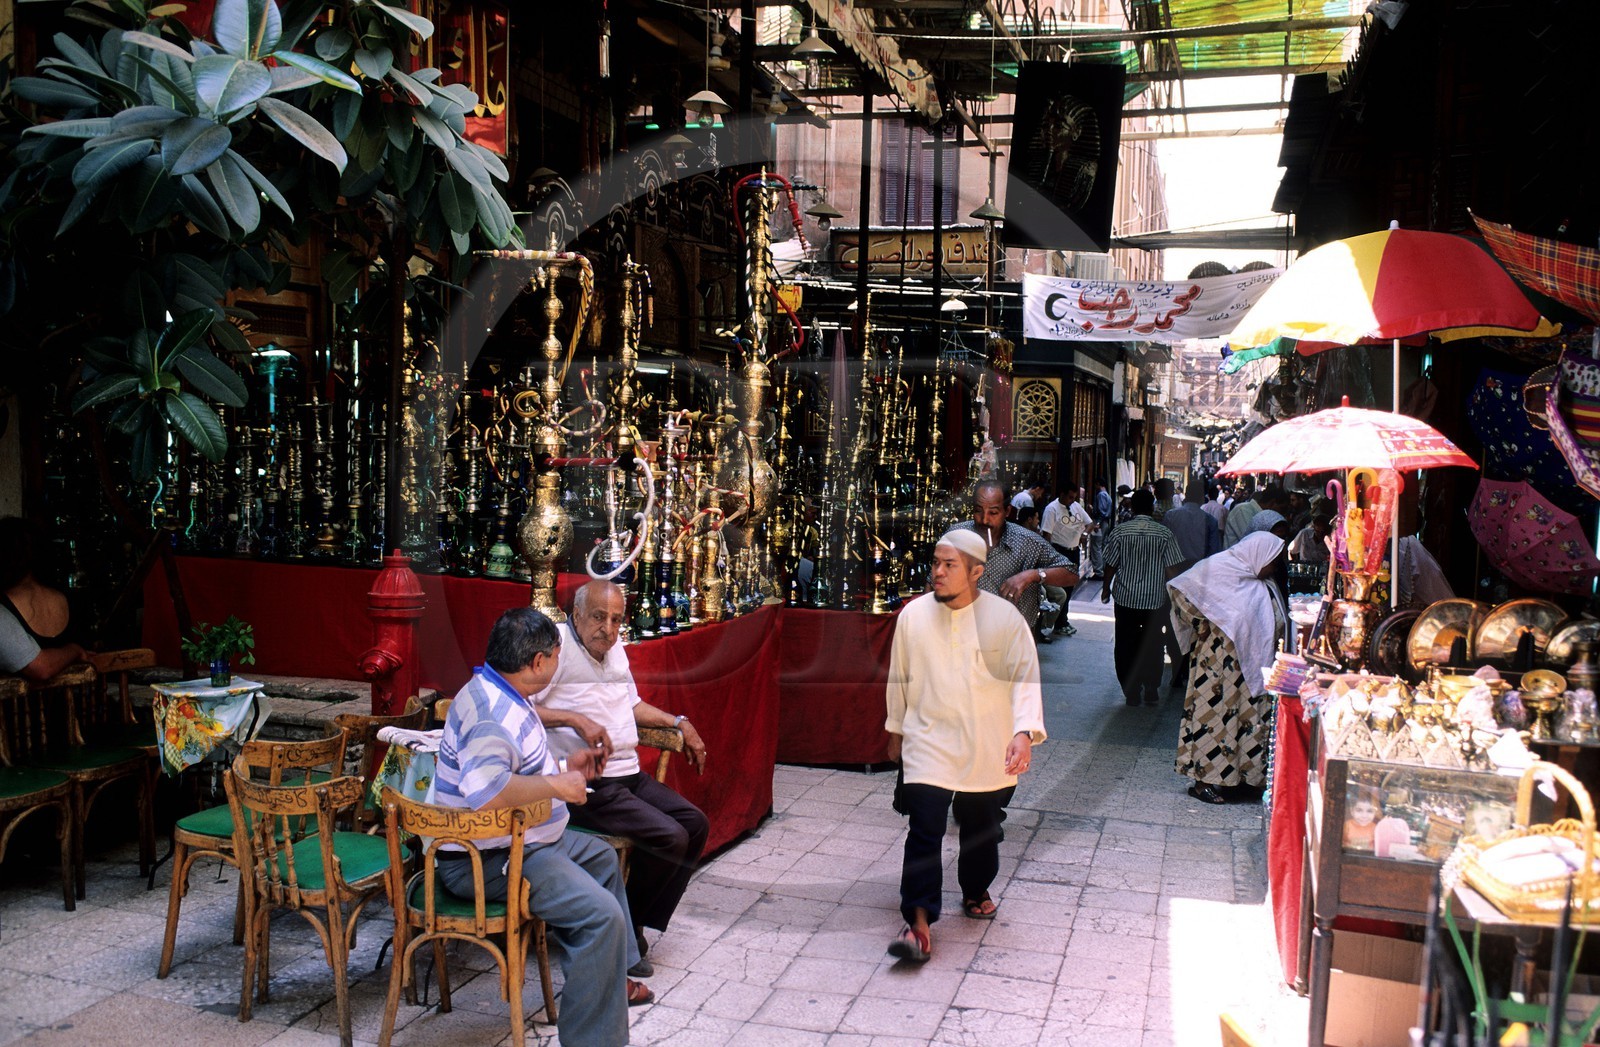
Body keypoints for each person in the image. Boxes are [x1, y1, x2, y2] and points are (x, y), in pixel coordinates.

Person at [435, 607, 652, 1047]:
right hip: (488, 859)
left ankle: (613, 980)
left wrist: (564, 767)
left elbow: (519, 765)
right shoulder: (491, 714)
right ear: (538, 662)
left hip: (525, 839)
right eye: (556, 654)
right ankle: (594, 1040)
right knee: (601, 916)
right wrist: (556, 785)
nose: (558, 661)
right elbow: (487, 793)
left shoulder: (506, 688)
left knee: (601, 858)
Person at [533, 580, 711, 977]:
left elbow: (631, 705)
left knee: (695, 824)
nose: (609, 629)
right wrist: (572, 718)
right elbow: (522, 706)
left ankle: (630, 921)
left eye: (616, 620)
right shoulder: (557, 647)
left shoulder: (615, 651)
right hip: (588, 783)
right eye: (599, 618)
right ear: (577, 614)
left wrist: (679, 722)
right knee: (670, 837)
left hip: (628, 774)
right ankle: (625, 929)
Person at [884, 529, 1045, 963]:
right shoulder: (913, 616)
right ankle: (918, 923)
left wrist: (1023, 732)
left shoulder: (1005, 619)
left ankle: (975, 889)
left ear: (976, 572)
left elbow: (1025, 677)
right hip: (928, 740)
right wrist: (895, 730)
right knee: (924, 829)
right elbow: (899, 678)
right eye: (935, 562)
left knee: (981, 827)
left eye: (949, 565)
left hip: (987, 741)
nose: (937, 571)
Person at [1167, 532, 1289, 805]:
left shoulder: (1261, 582)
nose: (1275, 567)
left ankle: (1242, 779)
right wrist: (1203, 623)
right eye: (1273, 561)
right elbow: (1181, 588)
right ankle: (1203, 782)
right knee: (1214, 721)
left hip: (1251, 671)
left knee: (1248, 722)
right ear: (1258, 554)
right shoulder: (1218, 568)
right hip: (1217, 670)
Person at [955, 480, 1077, 638]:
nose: (985, 519)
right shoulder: (957, 535)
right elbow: (933, 583)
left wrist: (1033, 575)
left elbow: (1071, 573)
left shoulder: (1028, 542)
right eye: (978, 511)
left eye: (993, 512)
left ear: (1007, 511)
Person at [1100, 490, 1186, 707]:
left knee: (1125, 643)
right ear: (1152, 507)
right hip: (1155, 600)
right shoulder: (1164, 534)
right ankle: (1151, 687)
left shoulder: (1120, 532)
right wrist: (1176, 597)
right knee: (1153, 643)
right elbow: (1171, 569)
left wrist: (1105, 589)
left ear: (1133, 507)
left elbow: (1110, 564)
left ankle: (1131, 691)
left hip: (1126, 599)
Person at [0, 517, 90, 682]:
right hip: (75, 695)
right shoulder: (65, 597)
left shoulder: (4, 605)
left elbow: (41, 668)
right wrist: (74, 650)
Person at [1040, 483, 1094, 637]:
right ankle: (1058, 621)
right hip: (1059, 551)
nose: (1072, 500)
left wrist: (1084, 534)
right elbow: (1047, 534)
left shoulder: (1076, 506)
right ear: (1062, 495)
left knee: (1069, 587)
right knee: (1059, 589)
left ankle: (1063, 620)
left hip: (1073, 551)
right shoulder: (1052, 509)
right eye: (1070, 497)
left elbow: (1090, 523)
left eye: (1074, 497)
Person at [1016, 507, 1064, 642]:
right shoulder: (1017, 535)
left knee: (1060, 594)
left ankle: (1043, 628)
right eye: (1037, 518)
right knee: (1041, 593)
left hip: (1039, 574)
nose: (1038, 521)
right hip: (1023, 576)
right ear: (1029, 519)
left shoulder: (1036, 535)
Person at [1163, 481, 1221, 572]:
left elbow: (1164, 547)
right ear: (1202, 497)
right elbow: (1214, 552)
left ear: (1186, 494)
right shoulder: (1210, 520)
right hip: (1198, 570)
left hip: (1173, 569)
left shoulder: (1170, 515)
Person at [1223, 484, 1287, 549]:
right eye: (1282, 509)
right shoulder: (1243, 510)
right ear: (1272, 503)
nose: (1282, 513)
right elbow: (1252, 542)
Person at [1089, 477, 1114, 577]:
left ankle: (1098, 572)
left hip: (1100, 522)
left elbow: (1101, 511)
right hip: (1105, 522)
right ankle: (1102, 569)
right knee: (1102, 545)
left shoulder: (1101, 495)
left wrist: (1097, 523)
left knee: (1096, 546)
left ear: (1098, 484)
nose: (1095, 487)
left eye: (1095, 485)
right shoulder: (1107, 495)